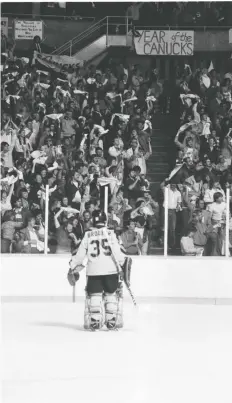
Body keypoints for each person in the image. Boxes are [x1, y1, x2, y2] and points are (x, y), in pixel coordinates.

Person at [68, 210, 131, 331]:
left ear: (93, 220)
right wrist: (124, 265)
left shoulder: (87, 234)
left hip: (93, 271)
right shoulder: (111, 233)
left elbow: (80, 255)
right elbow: (117, 253)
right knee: (111, 294)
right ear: (105, 220)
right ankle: (111, 320)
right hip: (110, 270)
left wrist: (72, 266)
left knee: (95, 295)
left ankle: (95, 320)